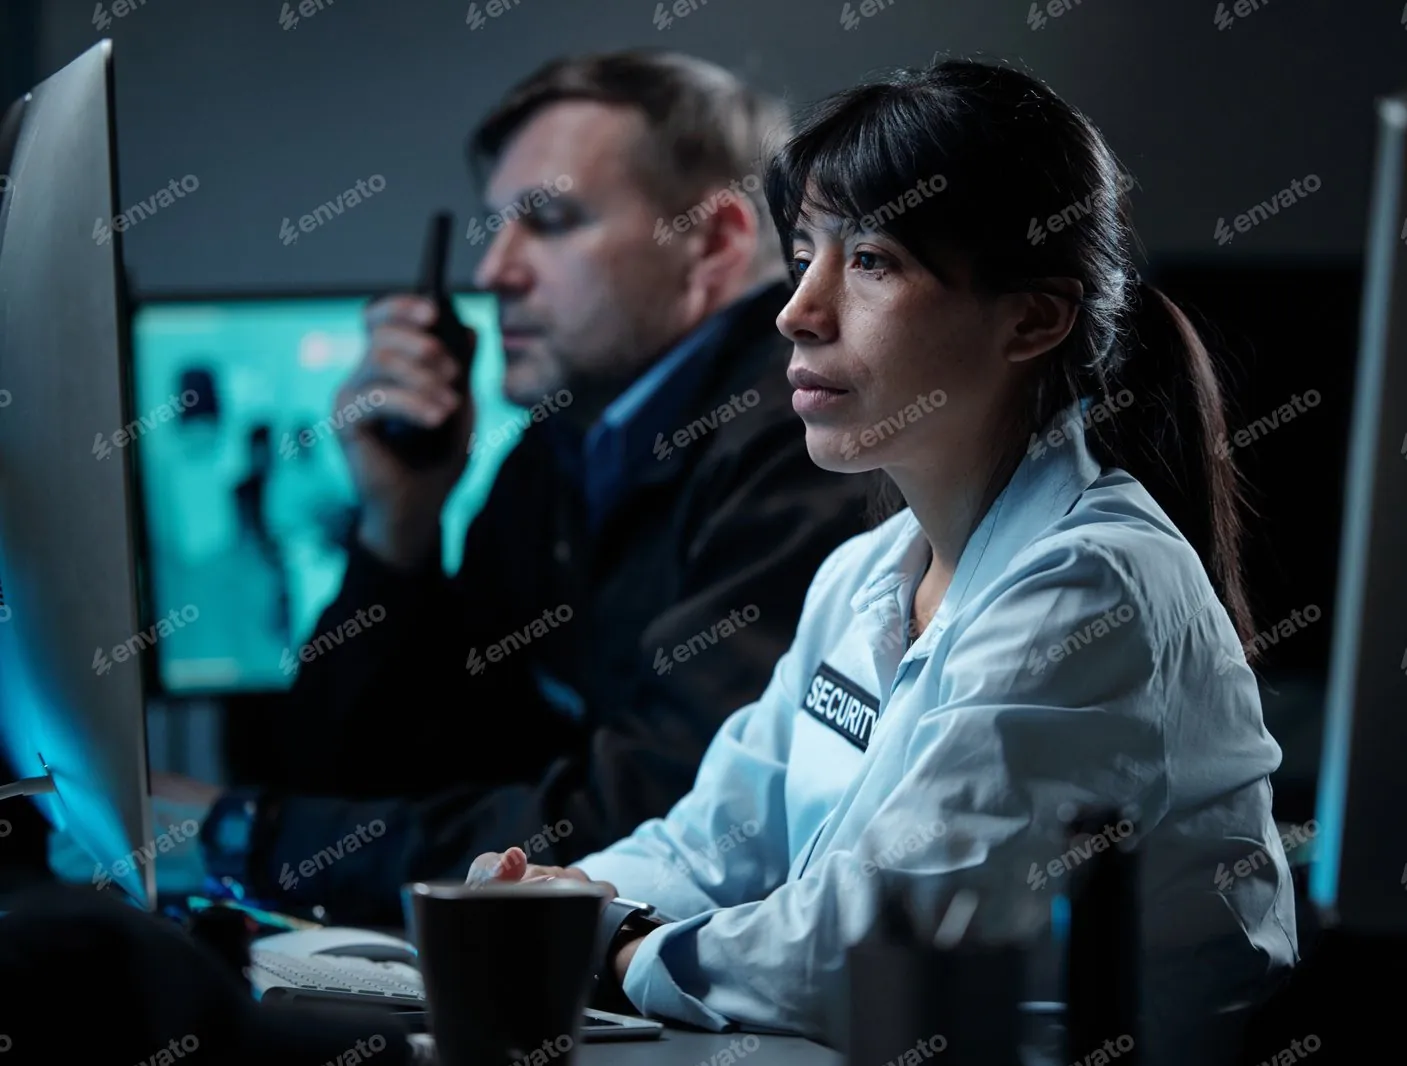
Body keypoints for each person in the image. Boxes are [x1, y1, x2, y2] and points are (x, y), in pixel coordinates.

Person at [468, 58, 1299, 1064]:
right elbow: (716, 844)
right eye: (804, 250)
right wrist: (550, 902)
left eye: (869, 260)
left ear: (1032, 318)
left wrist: (617, 948)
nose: (797, 309)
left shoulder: (1092, 585)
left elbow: (866, 943)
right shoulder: (864, 574)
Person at [160, 50, 874, 925]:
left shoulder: (806, 443)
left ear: (713, 242)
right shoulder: (565, 443)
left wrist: (247, 837)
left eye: (551, 221)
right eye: (496, 226)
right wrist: (400, 529)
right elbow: (367, 774)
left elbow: (654, 829)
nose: (495, 269)